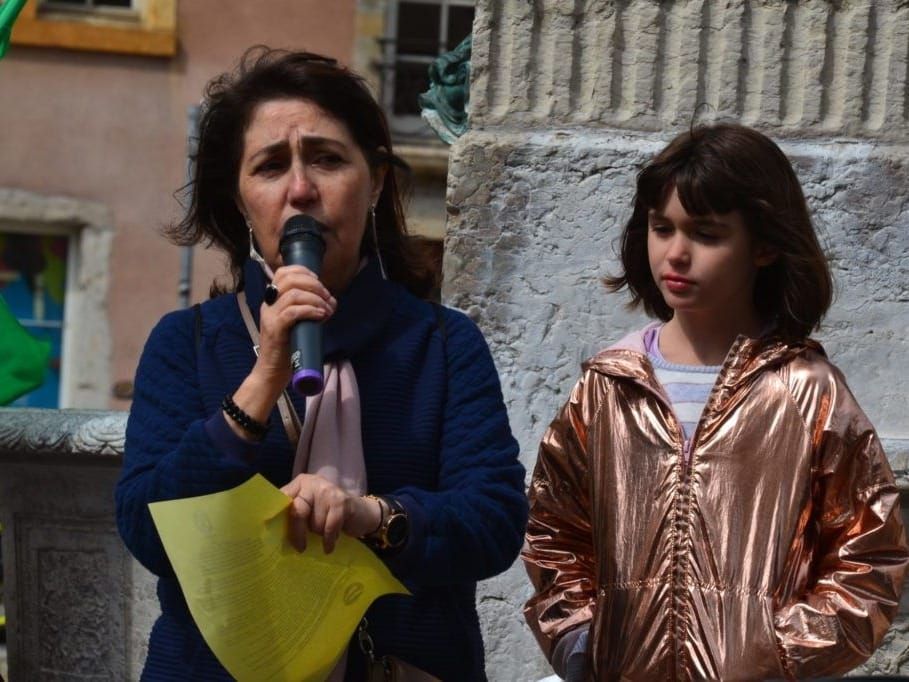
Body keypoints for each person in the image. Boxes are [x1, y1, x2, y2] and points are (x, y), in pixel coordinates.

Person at [115, 47, 528, 681]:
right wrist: (260, 384)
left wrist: (373, 516)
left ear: (377, 182)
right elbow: (149, 531)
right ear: (240, 198)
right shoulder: (186, 343)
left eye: (328, 159)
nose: (301, 190)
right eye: (271, 166)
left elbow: (495, 521)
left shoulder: (444, 345)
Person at [522, 124, 909, 680]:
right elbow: (555, 531)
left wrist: (776, 652)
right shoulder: (610, 385)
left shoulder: (807, 391)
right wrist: (580, 639)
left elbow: (869, 558)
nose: (676, 254)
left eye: (705, 234)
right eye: (662, 228)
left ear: (766, 245)